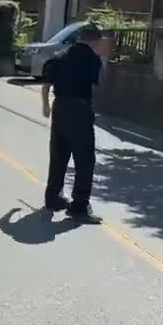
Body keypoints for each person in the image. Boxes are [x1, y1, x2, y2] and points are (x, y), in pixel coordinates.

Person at [40, 22, 107, 224]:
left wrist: (46, 105)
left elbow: (46, 83)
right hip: (79, 109)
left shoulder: (61, 56)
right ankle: (79, 205)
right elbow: (98, 84)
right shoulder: (92, 60)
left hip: (59, 107)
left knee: (59, 154)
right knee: (85, 159)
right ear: (94, 40)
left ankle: (53, 197)